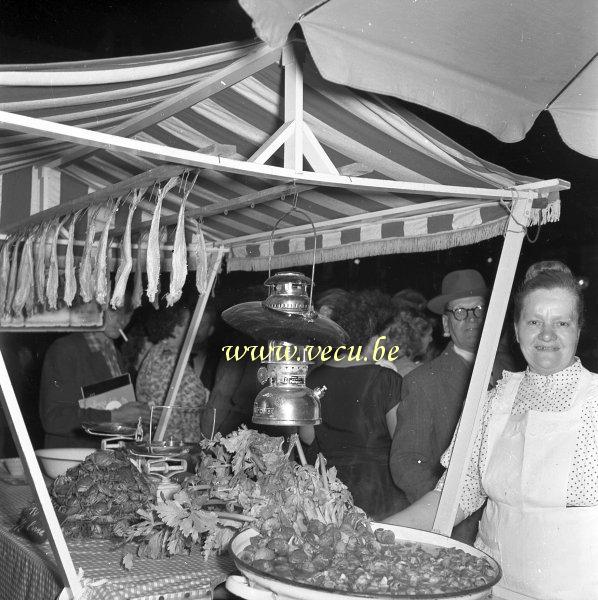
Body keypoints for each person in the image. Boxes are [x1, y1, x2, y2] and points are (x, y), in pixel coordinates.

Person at [385, 261, 598, 599]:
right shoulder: (491, 402)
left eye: (561, 322)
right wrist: (378, 533)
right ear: (515, 330)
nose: (546, 334)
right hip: (494, 587)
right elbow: (450, 498)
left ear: (578, 329)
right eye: (534, 322)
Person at [389, 269, 513, 543]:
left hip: (508, 525)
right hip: (457, 529)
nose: (471, 319)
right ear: (446, 325)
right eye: (460, 312)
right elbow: (406, 464)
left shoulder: (514, 372)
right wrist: (449, 513)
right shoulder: (424, 381)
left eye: (478, 309)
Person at [301, 290, 408, 520]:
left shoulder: (313, 378)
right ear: (374, 335)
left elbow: (308, 437)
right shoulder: (386, 380)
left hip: (329, 493)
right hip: (379, 495)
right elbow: (403, 447)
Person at [39, 303, 150, 448]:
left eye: (128, 314)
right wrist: (115, 416)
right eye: (115, 311)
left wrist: (137, 415)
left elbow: (113, 406)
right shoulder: (65, 349)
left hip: (105, 458)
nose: (122, 320)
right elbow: (53, 418)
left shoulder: (114, 352)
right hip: (72, 458)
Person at [135, 301, 208, 442]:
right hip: (173, 442)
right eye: (189, 324)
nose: (195, 329)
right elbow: (193, 400)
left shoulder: (159, 352)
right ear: (175, 328)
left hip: (165, 439)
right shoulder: (169, 358)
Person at [379, 307, 434, 377]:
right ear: (417, 337)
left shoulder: (388, 363)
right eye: (429, 335)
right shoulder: (410, 370)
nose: (431, 339)